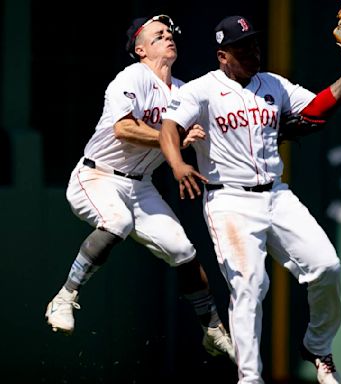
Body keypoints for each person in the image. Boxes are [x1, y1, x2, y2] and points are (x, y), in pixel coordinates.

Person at [159, 15, 341, 384]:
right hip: (229, 200)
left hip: (276, 195)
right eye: (243, 47)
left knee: (326, 266)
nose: (253, 52)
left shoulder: (273, 83)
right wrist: (177, 164)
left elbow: (316, 109)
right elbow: (168, 127)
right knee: (250, 285)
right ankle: (250, 378)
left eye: (255, 44)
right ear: (222, 55)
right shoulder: (201, 90)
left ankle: (318, 346)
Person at [45, 14, 235, 362]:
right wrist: (175, 137)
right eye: (158, 35)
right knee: (117, 221)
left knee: (183, 251)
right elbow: (124, 129)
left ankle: (211, 328)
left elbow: (218, 128)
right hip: (97, 176)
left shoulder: (183, 91)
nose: (168, 38)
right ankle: (64, 296)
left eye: (170, 34)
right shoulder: (132, 77)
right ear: (141, 49)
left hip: (141, 187)